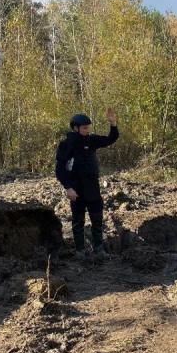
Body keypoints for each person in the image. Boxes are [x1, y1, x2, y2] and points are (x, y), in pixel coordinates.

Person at [55, 108, 119, 261]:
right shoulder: (67, 143)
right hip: (76, 188)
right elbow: (59, 169)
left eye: (88, 127)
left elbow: (110, 139)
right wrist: (68, 188)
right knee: (78, 221)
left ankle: (99, 249)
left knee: (97, 219)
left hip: (92, 186)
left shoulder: (91, 140)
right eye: (84, 128)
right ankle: (80, 251)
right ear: (75, 128)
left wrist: (113, 124)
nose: (87, 130)